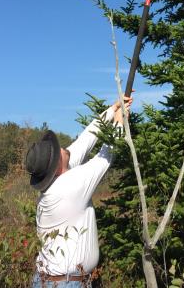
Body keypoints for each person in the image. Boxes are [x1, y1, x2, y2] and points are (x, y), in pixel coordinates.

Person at [26, 96, 132, 287]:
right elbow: (104, 157)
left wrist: (112, 109)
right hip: (65, 284)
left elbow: (85, 141)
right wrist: (119, 122)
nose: (62, 147)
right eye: (57, 150)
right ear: (55, 166)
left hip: (54, 281)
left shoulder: (59, 178)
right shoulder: (68, 188)